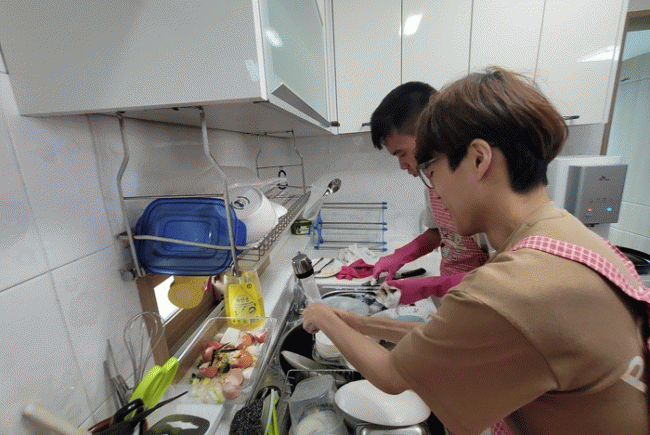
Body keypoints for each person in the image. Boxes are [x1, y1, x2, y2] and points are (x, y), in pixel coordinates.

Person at [303, 67, 649, 434]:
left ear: (479, 159)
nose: (434, 188)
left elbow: (392, 376)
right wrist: (359, 324)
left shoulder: (511, 288)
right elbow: (444, 342)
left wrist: (321, 315)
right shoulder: (563, 232)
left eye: (431, 171)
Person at [369, 82, 489, 304]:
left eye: (402, 154)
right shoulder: (433, 183)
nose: (402, 166)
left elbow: (501, 275)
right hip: (452, 299)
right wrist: (400, 256)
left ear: (428, 133)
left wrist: (428, 286)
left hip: (480, 303)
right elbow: (440, 232)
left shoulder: (478, 192)